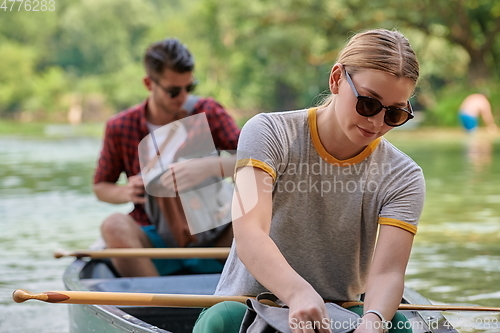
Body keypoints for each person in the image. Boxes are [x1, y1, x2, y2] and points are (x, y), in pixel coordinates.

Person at [193, 29, 425, 333]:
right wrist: (297, 293)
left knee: (399, 326)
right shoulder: (268, 132)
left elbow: (388, 274)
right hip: (249, 305)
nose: (377, 123)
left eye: (394, 114)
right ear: (336, 79)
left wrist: (373, 321)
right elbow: (251, 233)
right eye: (368, 104)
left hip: (339, 311)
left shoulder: (404, 176)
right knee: (216, 325)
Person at [93, 38, 240, 278]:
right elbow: (101, 186)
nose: (183, 96)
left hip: (216, 232)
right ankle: (155, 307)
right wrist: (126, 192)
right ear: (148, 83)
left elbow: (257, 159)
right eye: (173, 91)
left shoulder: (209, 112)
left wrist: (212, 166)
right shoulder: (120, 127)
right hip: (155, 238)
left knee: (268, 214)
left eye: (189, 87)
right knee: (113, 225)